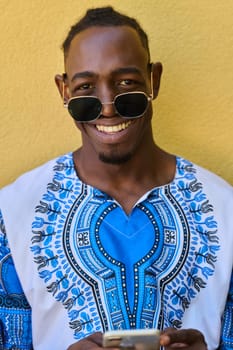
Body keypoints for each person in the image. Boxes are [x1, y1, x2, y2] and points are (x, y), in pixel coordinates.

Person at [0, 6, 232, 350]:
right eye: (85, 87)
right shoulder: (12, 211)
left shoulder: (225, 208)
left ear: (154, 80)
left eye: (126, 83)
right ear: (64, 90)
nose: (107, 106)